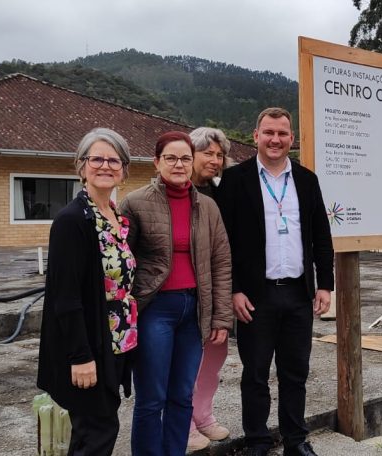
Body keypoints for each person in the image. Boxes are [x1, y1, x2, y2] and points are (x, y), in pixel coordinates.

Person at [216, 107, 334, 456]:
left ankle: (296, 440)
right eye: (268, 132)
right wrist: (234, 288)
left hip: (298, 294)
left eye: (282, 134)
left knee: (295, 373)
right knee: (255, 375)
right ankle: (257, 441)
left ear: (291, 139)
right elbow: (224, 242)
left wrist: (324, 283)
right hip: (255, 296)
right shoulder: (235, 181)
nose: (275, 139)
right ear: (256, 136)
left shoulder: (307, 179)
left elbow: (321, 237)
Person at [120, 131, 232, 455]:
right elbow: (122, 262)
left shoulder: (208, 207)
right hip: (155, 309)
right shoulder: (135, 202)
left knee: (182, 395)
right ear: (157, 162)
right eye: (171, 157)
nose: (179, 164)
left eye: (185, 158)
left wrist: (220, 316)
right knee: (152, 397)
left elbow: (221, 261)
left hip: (194, 311)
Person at [37, 128, 137, 456]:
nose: (105, 165)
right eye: (96, 158)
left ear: (123, 168)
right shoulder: (72, 220)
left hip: (116, 341)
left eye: (114, 160)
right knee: (98, 433)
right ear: (81, 166)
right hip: (90, 346)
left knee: (93, 431)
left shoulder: (117, 218)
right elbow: (65, 298)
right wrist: (80, 357)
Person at [185, 126, 233, 451]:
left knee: (216, 354)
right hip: (187, 292)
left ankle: (203, 415)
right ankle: (183, 421)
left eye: (219, 155)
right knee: (189, 360)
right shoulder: (177, 191)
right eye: (208, 153)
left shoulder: (221, 192)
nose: (215, 160)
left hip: (219, 289)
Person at [189, 127, 231, 199]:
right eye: (208, 154)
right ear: (190, 154)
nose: (215, 162)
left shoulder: (223, 193)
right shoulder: (173, 189)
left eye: (219, 156)